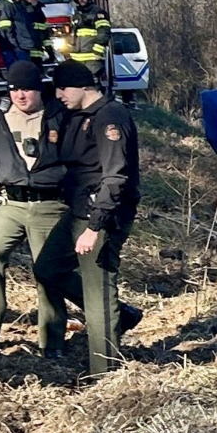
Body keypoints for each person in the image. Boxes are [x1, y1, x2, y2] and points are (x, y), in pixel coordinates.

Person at [33, 59, 141, 375]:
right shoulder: (75, 116)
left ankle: (104, 373)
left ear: (83, 86)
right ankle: (123, 316)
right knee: (48, 268)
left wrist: (95, 227)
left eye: (63, 89)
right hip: (78, 210)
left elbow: (115, 177)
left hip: (104, 215)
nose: (59, 95)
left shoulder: (110, 117)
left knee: (98, 295)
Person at [0, 61, 69, 354]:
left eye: (28, 89)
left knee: (47, 271)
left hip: (49, 204)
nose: (21, 95)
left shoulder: (61, 116)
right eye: (15, 89)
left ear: (39, 89)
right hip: (9, 201)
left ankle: (52, 339)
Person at [68, 0, 111, 82]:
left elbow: (104, 32)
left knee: (93, 87)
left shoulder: (98, 13)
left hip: (93, 59)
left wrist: (98, 51)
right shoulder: (76, 15)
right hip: (77, 60)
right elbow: (74, 35)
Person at [0, 0, 35, 68]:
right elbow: (5, 29)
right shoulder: (5, 4)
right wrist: (15, 47)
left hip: (23, 46)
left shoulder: (20, 3)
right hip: (14, 49)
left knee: (25, 75)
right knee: (18, 75)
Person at [24, 0, 56, 68]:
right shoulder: (21, 10)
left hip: (38, 54)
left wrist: (50, 52)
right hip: (26, 54)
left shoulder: (39, 11)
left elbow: (45, 35)